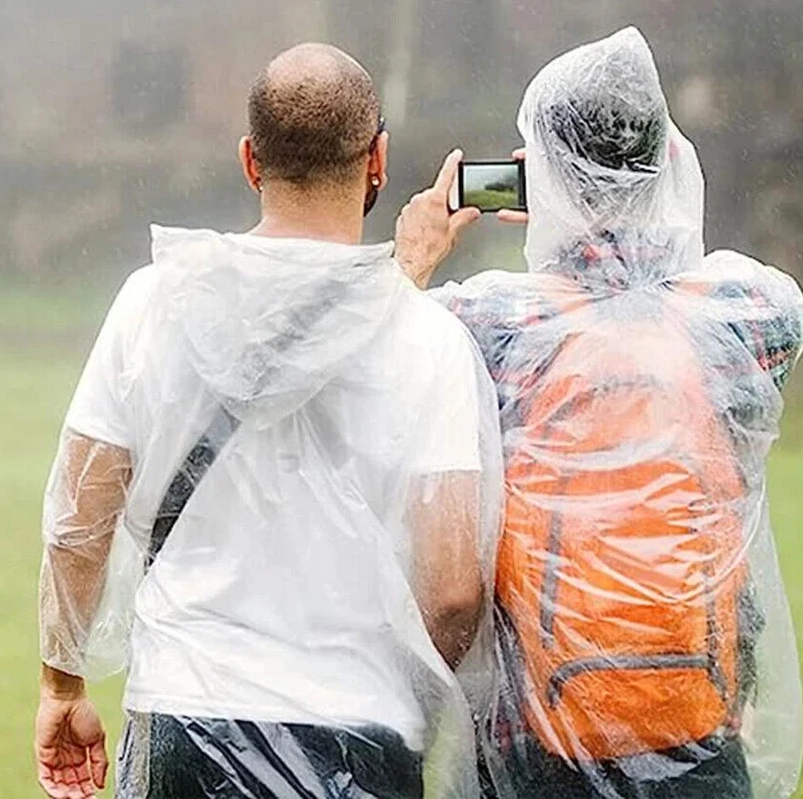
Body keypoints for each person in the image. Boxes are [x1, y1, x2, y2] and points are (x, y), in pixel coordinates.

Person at [35, 43, 502, 799]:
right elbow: (452, 590)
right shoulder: (430, 340)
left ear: (251, 162)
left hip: (182, 720)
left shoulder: (152, 303)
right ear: (377, 159)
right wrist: (397, 696)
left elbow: (78, 520)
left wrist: (62, 686)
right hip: (360, 731)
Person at [395, 26, 803, 799]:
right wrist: (625, 210)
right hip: (697, 726)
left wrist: (415, 256)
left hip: (538, 745)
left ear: (542, 176)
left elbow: (381, 356)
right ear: (669, 163)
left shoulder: (491, 327)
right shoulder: (745, 316)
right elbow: (709, 289)